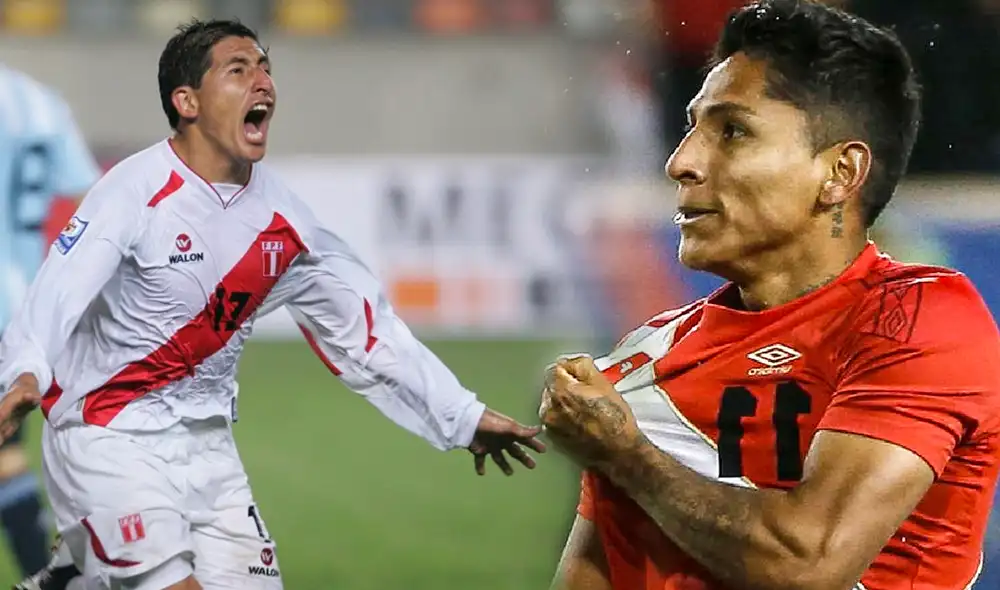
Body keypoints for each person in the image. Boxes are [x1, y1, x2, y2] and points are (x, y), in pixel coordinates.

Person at [0, 19, 544, 590]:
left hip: (209, 450)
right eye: (239, 70)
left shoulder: (286, 224)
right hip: (107, 434)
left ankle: (73, 581)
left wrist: (461, 415)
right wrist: (24, 372)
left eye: (266, 68)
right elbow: (58, 288)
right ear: (186, 101)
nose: (263, 82)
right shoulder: (134, 191)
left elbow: (367, 333)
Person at [540, 1, 1000, 589]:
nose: (681, 162)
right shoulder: (645, 364)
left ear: (840, 173)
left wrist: (629, 458)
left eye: (732, 131)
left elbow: (808, 564)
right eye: (691, 128)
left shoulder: (918, 320)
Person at [0, 64, 102, 584]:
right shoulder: (40, 102)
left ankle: (53, 575)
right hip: (21, 309)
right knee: (7, 454)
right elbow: (92, 200)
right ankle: (52, 574)